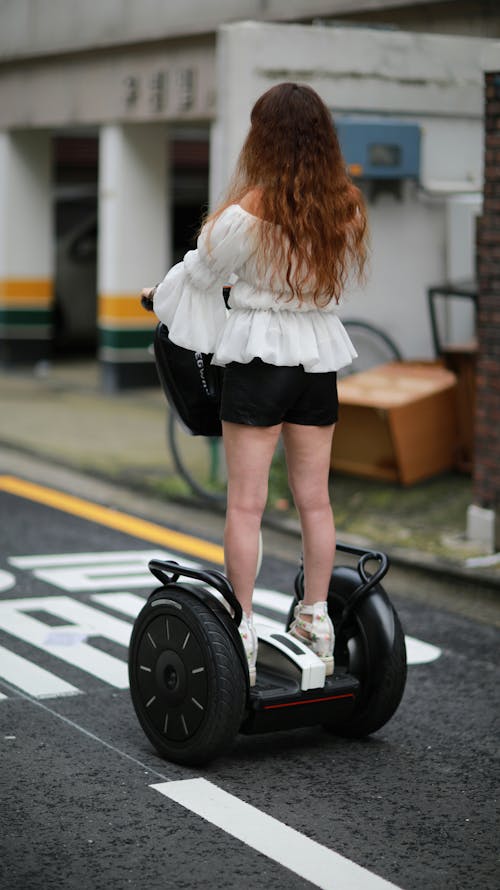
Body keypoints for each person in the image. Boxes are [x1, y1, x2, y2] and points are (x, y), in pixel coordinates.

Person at [144, 82, 368, 686]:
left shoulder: (249, 210)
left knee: (246, 503)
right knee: (314, 500)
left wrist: (156, 298)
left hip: (260, 359)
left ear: (263, 136)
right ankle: (316, 620)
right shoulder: (345, 203)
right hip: (318, 357)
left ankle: (240, 627)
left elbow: (200, 271)